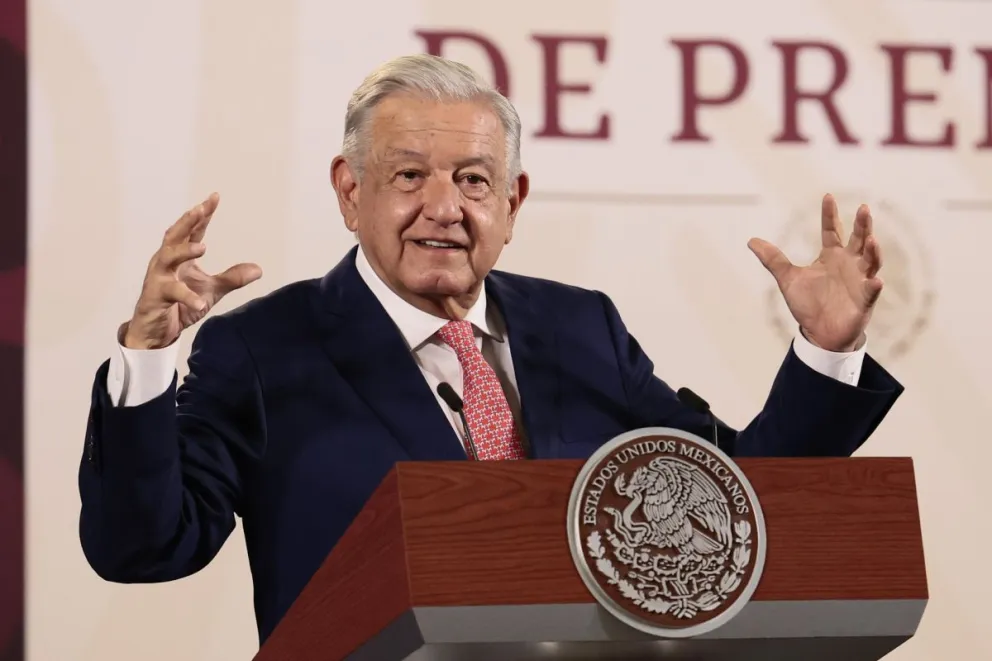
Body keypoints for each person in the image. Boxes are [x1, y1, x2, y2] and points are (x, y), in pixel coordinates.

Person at [78, 53, 901, 646]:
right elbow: (143, 546)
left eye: (474, 180)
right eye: (408, 177)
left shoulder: (585, 329)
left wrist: (824, 353)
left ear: (513, 202)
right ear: (349, 190)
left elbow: (730, 505)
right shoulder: (263, 347)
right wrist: (147, 361)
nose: (444, 207)